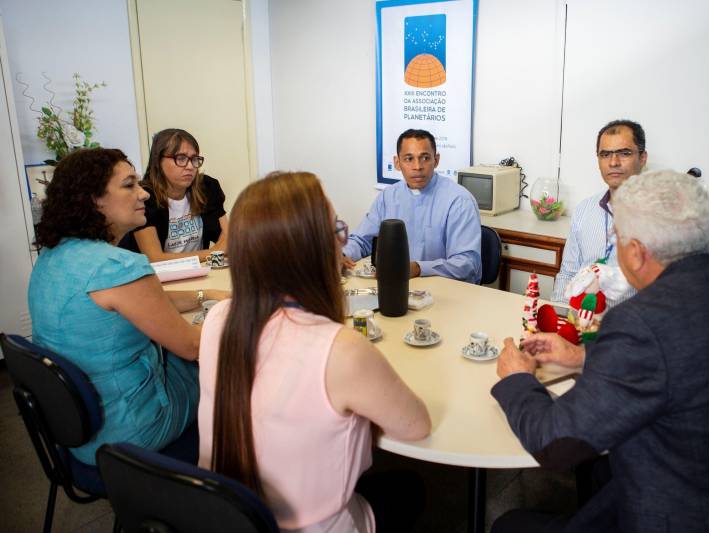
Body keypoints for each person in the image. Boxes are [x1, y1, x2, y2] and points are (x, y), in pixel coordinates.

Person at [491, 170, 709, 532]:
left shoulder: (640, 322)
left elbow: (554, 444)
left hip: (685, 512)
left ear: (635, 253)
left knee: (508, 525)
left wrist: (517, 378)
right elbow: (690, 368)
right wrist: (584, 358)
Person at [197, 171, 432, 532]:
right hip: (315, 527)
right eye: (337, 229)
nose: (344, 240)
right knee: (409, 487)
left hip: (228, 516)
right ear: (315, 250)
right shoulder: (340, 349)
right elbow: (416, 426)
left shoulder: (218, 319)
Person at [28, 148, 228, 466]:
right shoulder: (118, 267)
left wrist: (209, 294)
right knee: (230, 371)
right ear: (93, 199)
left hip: (77, 430)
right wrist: (241, 315)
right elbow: (192, 346)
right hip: (132, 432)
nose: (144, 193)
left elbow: (148, 302)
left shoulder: (54, 256)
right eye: (129, 185)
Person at [342, 128, 482, 284]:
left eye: (425, 158)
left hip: (448, 293)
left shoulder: (459, 201)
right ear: (397, 162)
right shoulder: (388, 197)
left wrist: (419, 268)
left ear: (436, 160)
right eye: (409, 159)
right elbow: (362, 241)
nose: (417, 166)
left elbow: (468, 264)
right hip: (397, 286)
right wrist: (341, 255)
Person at [552, 119, 647, 306]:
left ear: (642, 158)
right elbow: (568, 273)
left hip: (631, 327)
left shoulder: (662, 217)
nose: (613, 162)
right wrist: (558, 314)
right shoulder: (584, 210)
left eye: (624, 153)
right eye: (605, 154)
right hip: (581, 321)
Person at [129, 128, 228, 262]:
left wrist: (218, 251)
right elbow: (155, 259)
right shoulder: (144, 197)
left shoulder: (206, 187)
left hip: (200, 272)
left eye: (194, 159)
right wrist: (211, 253)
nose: (190, 166)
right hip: (160, 278)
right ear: (158, 161)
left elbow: (228, 238)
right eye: (180, 158)